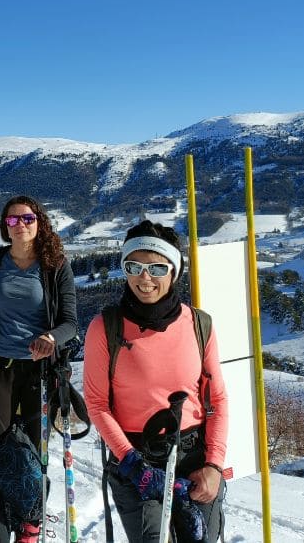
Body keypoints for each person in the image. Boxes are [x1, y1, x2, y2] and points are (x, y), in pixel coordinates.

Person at [83, 220, 229, 542]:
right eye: (133, 266)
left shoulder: (199, 324)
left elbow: (216, 399)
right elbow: (96, 403)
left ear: (174, 272)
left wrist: (214, 466)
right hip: (135, 455)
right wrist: (132, 462)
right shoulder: (105, 329)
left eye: (157, 269)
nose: (144, 278)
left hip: (193, 453)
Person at [0, 195, 78, 543]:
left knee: (32, 452)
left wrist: (51, 337)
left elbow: (71, 322)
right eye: (12, 220)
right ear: (4, 226)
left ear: (39, 221)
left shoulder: (55, 264)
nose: (20, 225)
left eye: (27, 218)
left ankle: (31, 522)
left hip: (39, 373)